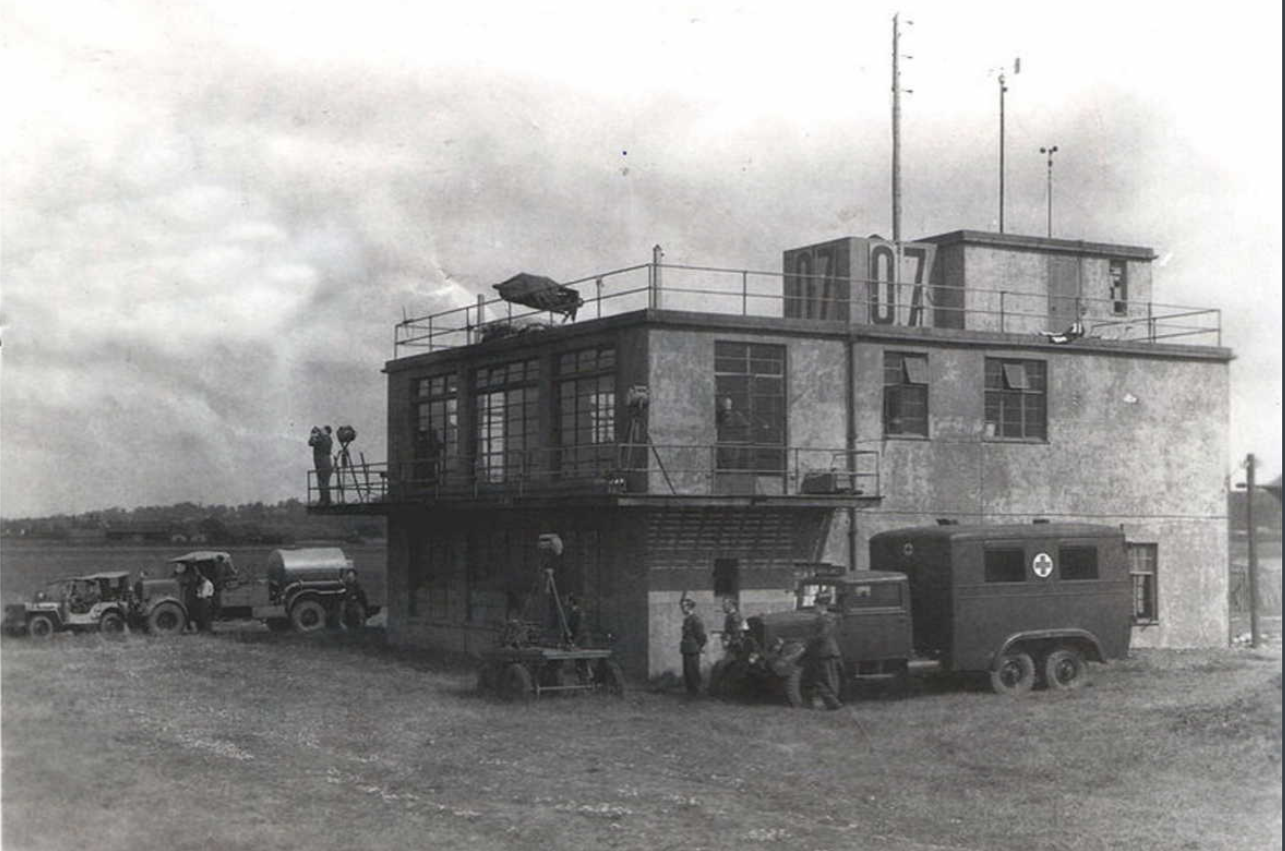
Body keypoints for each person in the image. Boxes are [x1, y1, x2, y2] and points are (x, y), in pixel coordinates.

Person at [810, 591, 843, 708]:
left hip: (826, 652)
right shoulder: (824, 618)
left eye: (816, 605)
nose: (814, 607)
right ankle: (832, 703)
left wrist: (808, 641)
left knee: (826, 681)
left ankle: (834, 704)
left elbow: (823, 636)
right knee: (827, 680)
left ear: (822, 606)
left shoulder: (827, 619)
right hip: (825, 652)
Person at [679, 597, 707, 697]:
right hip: (687, 649)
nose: (682, 609)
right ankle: (690, 692)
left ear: (689, 607)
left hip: (693, 649)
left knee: (693, 672)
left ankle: (696, 693)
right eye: (682, 607)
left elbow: (701, 636)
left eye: (684, 607)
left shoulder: (695, 619)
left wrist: (699, 646)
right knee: (687, 672)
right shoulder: (687, 619)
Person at [309, 425, 334, 506]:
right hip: (324, 462)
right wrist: (314, 435)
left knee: (322, 482)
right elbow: (311, 443)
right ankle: (325, 500)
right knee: (324, 482)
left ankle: (324, 500)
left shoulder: (324, 438)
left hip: (323, 462)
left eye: (323, 429)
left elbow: (312, 442)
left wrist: (314, 435)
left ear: (326, 431)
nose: (321, 430)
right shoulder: (326, 438)